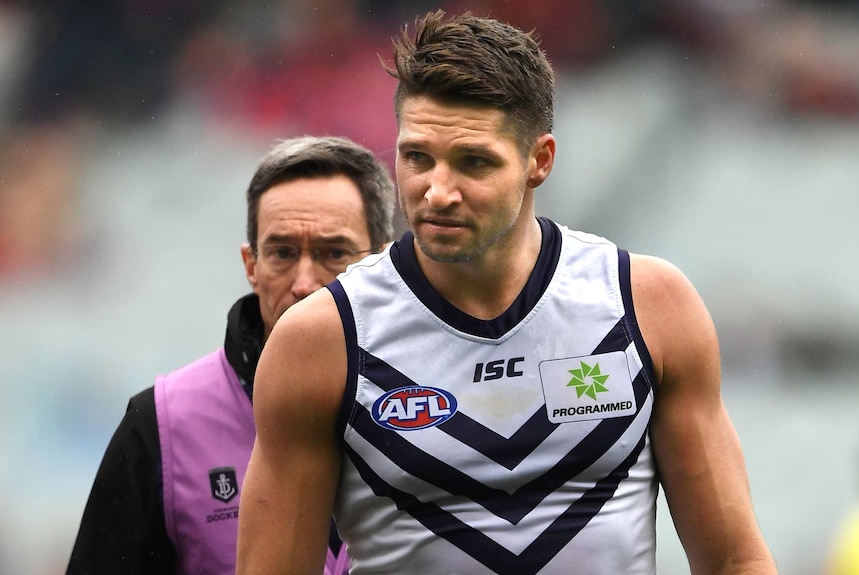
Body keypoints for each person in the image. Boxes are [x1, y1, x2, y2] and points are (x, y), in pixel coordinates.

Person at [236, 10, 778, 575]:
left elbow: (735, 559)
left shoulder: (648, 305)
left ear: (538, 160)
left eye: (474, 162)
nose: (437, 192)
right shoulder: (320, 341)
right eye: (417, 158)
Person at [66, 135, 396, 575]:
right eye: (282, 253)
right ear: (251, 265)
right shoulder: (162, 426)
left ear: (383, 260)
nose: (303, 282)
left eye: (333, 253)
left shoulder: (439, 403)